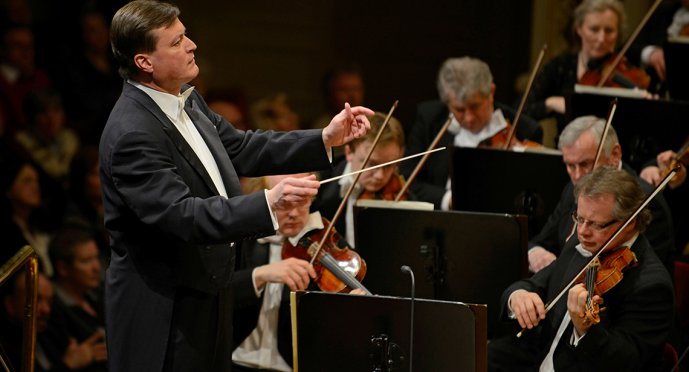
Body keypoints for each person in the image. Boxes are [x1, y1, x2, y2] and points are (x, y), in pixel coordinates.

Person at [99, 2, 372, 371]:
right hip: (167, 312)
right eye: (178, 41)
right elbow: (184, 214)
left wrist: (325, 138)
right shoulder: (132, 133)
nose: (192, 44)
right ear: (145, 62)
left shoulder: (188, 99)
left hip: (209, 293)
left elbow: (242, 148)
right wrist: (268, 203)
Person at [488, 167, 675, 372]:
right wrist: (518, 295)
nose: (582, 231)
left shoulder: (651, 285)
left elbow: (625, 362)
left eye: (596, 224)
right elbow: (537, 282)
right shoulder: (582, 243)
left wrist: (585, 330)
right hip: (538, 356)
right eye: (579, 218)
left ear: (629, 223)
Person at [232, 173, 361, 371]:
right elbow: (216, 292)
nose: (293, 213)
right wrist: (259, 275)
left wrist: (348, 308)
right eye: (284, 204)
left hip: (293, 366)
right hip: (236, 360)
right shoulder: (241, 234)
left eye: (302, 202)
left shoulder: (326, 242)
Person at [528, 116, 675, 274]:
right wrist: (536, 252)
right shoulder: (572, 189)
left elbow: (644, 273)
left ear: (615, 155)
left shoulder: (645, 201)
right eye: (570, 165)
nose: (577, 176)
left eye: (585, 164)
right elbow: (542, 240)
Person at [401, 56, 543, 210]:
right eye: (459, 109)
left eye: (475, 106)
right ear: (447, 102)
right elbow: (407, 179)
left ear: (491, 92)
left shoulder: (524, 130)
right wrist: (449, 199)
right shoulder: (429, 119)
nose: (469, 118)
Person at [524, 0, 651, 132]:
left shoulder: (627, 69)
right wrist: (550, 103)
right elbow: (521, 112)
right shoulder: (560, 67)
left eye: (609, 31)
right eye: (594, 29)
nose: (601, 38)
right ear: (579, 29)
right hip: (567, 151)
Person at [314, 111, 406, 247]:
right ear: (349, 153)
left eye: (389, 165)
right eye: (372, 164)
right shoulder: (321, 184)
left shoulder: (401, 191)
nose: (380, 175)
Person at [0, 270, 105, 371]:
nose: (46, 309)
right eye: (36, 299)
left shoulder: (48, 331)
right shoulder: (4, 352)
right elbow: (70, 362)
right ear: (10, 304)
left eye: (50, 302)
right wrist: (67, 365)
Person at [45, 228, 107, 372]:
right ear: (63, 268)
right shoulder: (51, 310)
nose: (96, 267)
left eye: (96, 258)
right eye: (86, 261)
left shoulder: (97, 294)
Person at [312, 63, 365, 130]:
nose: (352, 95)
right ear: (330, 94)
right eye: (344, 89)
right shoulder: (322, 127)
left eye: (356, 88)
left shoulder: (371, 123)